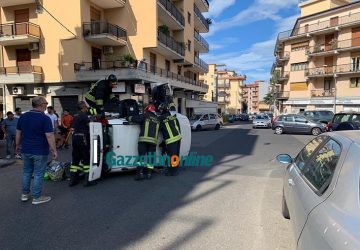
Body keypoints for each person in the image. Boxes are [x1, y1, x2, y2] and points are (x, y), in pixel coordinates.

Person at [16, 96, 57, 205]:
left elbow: (18, 133)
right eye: (46, 103)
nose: (46, 105)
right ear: (41, 105)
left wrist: (17, 145)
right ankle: (37, 197)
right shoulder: (45, 118)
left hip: (26, 150)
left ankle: (24, 195)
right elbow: (49, 136)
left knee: (26, 172)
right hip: (39, 151)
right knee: (38, 173)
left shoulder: (23, 117)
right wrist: (54, 150)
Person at [126, 104, 160, 181]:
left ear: (147, 110)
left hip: (143, 141)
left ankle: (139, 174)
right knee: (151, 159)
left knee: (141, 157)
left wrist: (128, 117)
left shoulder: (145, 115)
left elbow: (134, 119)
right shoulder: (157, 119)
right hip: (153, 142)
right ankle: (149, 174)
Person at [69, 101, 95, 187]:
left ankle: (73, 180)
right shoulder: (84, 115)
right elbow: (90, 124)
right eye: (86, 107)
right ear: (83, 108)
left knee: (75, 159)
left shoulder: (75, 116)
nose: (87, 108)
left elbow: (72, 128)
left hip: (75, 138)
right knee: (86, 158)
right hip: (82, 138)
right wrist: (93, 119)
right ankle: (87, 181)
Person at [158, 103, 181, 176]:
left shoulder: (161, 118)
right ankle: (175, 169)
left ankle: (172, 172)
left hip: (171, 140)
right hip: (178, 138)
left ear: (163, 109)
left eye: (160, 109)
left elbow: (157, 128)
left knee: (171, 155)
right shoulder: (173, 117)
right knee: (176, 155)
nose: (160, 111)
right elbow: (178, 127)